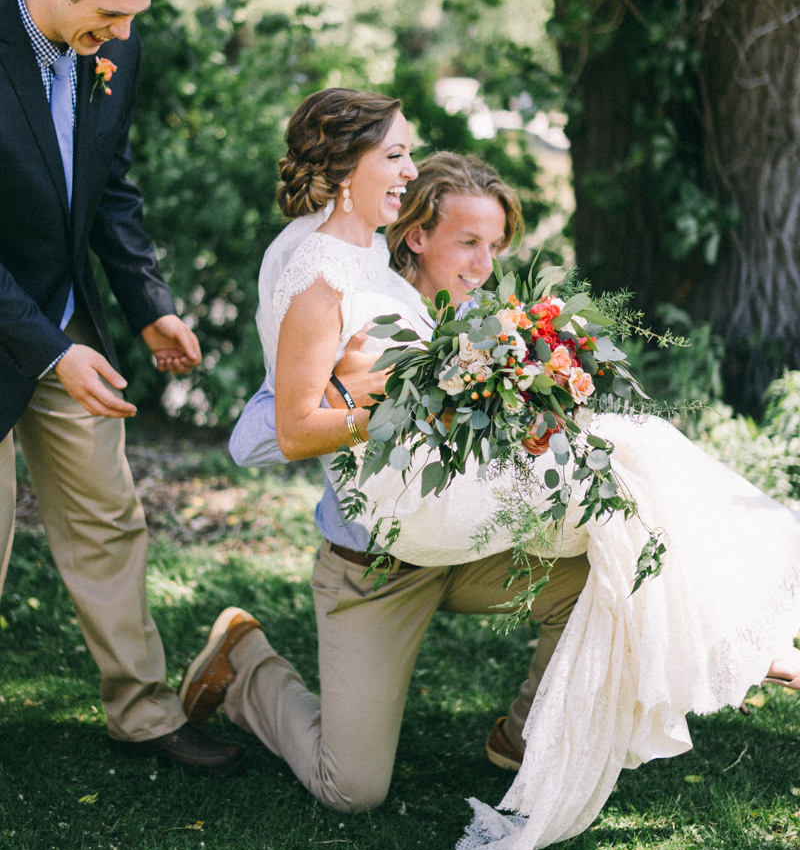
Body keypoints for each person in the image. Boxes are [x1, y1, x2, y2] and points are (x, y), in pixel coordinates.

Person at [179, 99, 590, 811]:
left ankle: (523, 737)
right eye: (395, 155)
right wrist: (383, 395)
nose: (484, 265)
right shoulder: (330, 274)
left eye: (494, 248)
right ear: (418, 233)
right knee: (353, 790)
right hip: (375, 566)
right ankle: (247, 665)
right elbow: (271, 431)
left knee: (594, 577)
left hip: (458, 549)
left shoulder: (448, 303)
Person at [0, 0, 243, 776]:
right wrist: (52, 351)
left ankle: (144, 715)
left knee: (109, 515)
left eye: (136, 14)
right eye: (110, 13)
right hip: (12, 327)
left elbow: (109, 190)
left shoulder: (113, 47)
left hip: (66, 321)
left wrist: (149, 302)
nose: (124, 32)